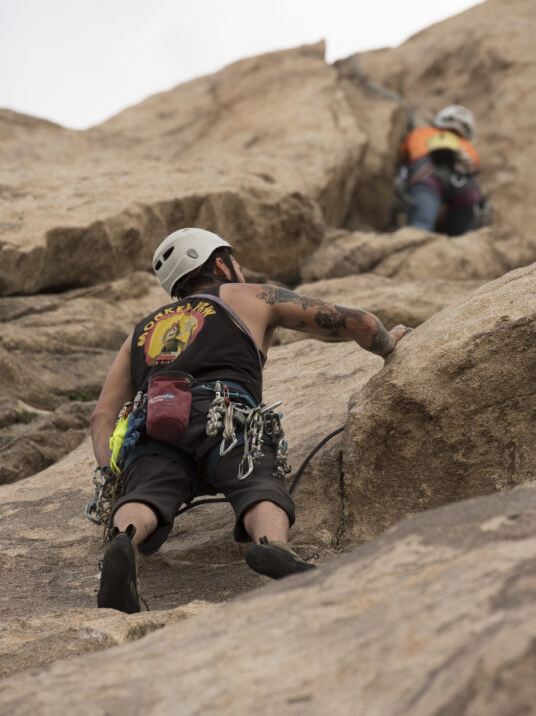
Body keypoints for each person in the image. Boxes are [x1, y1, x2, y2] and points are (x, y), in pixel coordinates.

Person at [91, 227, 410, 613]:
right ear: (221, 264)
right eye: (234, 261)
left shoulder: (141, 330)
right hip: (226, 415)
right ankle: (273, 548)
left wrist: (117, 470)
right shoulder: (249, 295)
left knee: (147, 491)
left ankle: (124, 540)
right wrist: (388, 342)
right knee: (258, 479)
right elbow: (356, 322)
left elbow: (102, 416)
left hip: (158, 422)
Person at [393, 105, 490, 235]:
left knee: (421, 226)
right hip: (464, 184)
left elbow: (401, 157)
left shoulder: (419, 133)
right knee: (461, 237)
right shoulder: (468, 146)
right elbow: (475, 168)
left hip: (426, 175)